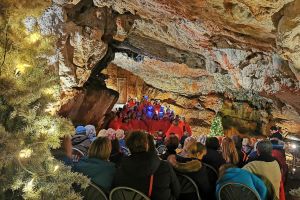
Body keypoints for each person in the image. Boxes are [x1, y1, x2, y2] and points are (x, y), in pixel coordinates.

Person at [113, 131, 180, 200]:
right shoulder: (164, 167)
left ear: (128, 146)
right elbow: (177, 192)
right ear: (146, 145)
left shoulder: (119, 166)